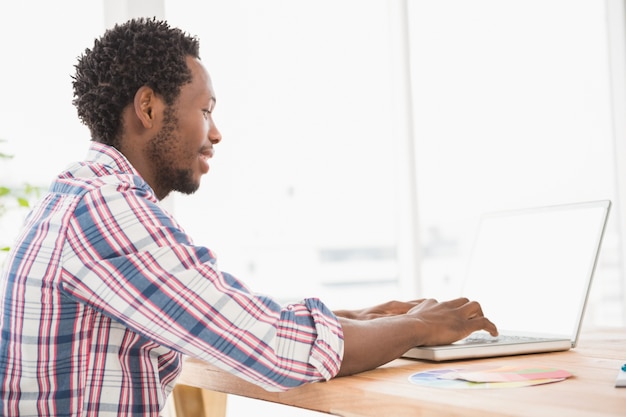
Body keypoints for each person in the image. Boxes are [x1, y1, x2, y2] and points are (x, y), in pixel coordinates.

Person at [0, 17, 497, 416]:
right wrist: (421, 328)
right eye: (207, 110)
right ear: (148, 107)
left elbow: (216, 307)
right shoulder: (106, 210)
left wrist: (351, 319)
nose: (215, 133)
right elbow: (274, 349)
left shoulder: (80, 195)